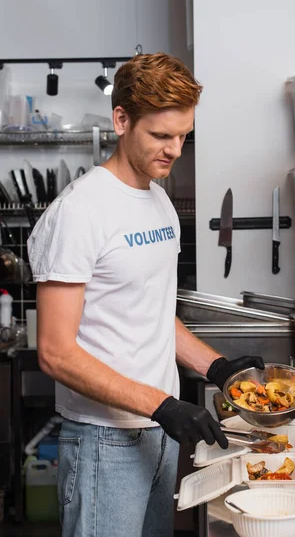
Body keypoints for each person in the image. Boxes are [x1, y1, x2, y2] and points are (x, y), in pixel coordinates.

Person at [27, 52, 264, 537]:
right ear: (121, 120)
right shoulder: (79, 212)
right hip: (103, 441)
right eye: (161, 136)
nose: (175, 150)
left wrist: (214, 367)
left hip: (161, 433)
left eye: (183, 136)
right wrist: (161, 404)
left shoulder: (159, 202)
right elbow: (54, 352)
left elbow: (153, 315)